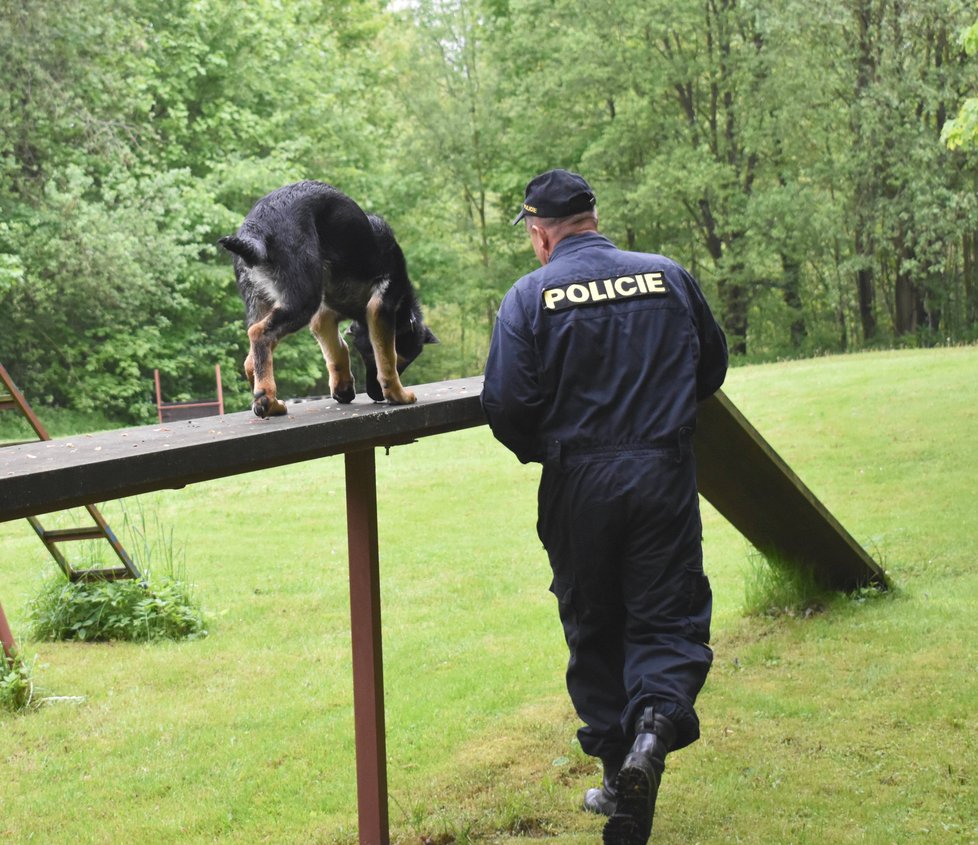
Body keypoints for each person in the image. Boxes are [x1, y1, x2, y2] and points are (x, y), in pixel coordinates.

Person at [481, 169, 728, 845]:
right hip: (662, 471)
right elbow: (710, 368)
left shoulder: (528, 297)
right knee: (666, 617)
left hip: (579, 479)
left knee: (595, 623)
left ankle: (622, 776)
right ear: (596, 216)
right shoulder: (667, 276)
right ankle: (652, 734)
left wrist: (556, 450)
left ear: (539, 234)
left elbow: (505, 405)